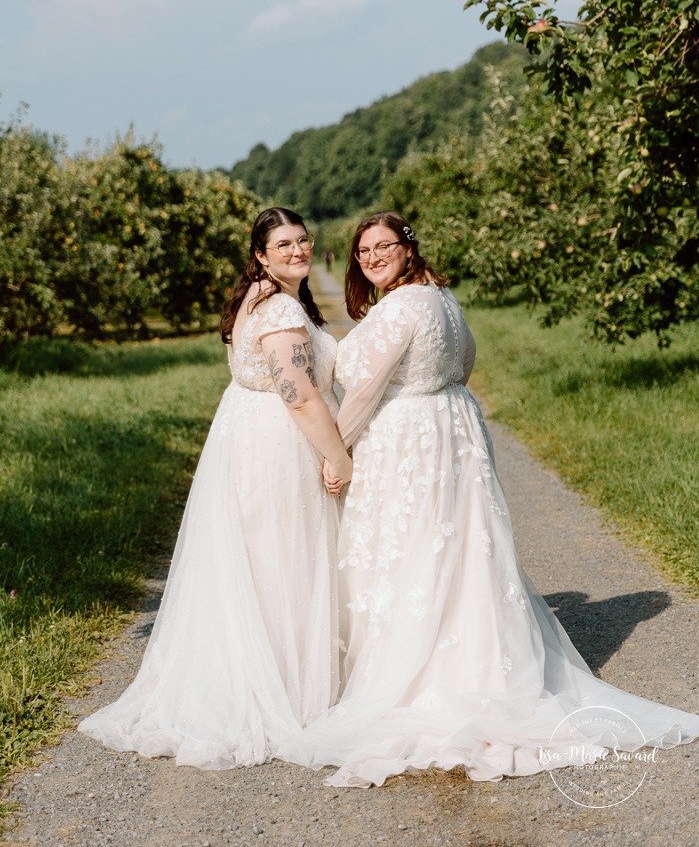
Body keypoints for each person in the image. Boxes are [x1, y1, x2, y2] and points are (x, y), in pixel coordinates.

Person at [281, 209, 699, 787]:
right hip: (453, 430)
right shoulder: (443, 298)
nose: (372, 256)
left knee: (414, 552)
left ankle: (418, 676)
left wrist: (337, 452)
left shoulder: (402, 307)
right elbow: (467, 361)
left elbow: (365, 391)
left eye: (384, 245)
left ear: (408, 246)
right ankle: (475, 661)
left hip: (410, 442)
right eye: (364, 250)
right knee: (459, 552)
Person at [79, 207, 352, 769]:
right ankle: (287, 690)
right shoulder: (277, 308)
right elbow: (298, 395)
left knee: (257, 562)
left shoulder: (258, 297)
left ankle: (268, 676)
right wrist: (336, 454)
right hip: (278, 443)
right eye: (284, 244)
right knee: (284, 560)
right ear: (260, 254)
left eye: (303, 241)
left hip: (246, 436)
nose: (298, 251)